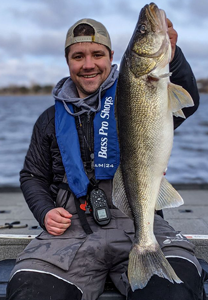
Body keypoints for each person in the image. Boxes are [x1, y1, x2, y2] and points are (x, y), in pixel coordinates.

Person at [6, 16, 206, 300]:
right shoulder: (49, 120)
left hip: (137, 220)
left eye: (97, 54)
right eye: (78, 56)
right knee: (30, 292)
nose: (88, 64)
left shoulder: (138, 96)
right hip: (72, 230)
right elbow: (32, 176)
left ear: (112, 57)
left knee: (175, 291)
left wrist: (173, 57)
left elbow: (188, 101)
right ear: (68, 61)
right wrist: (45, 211)